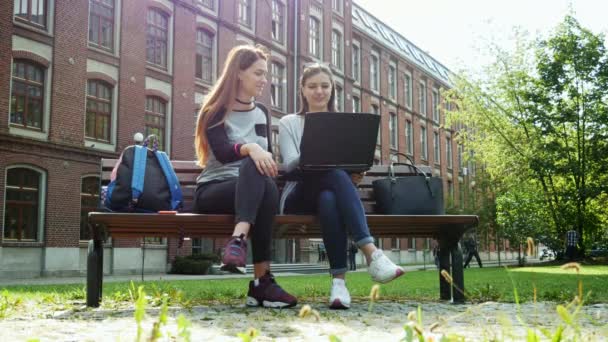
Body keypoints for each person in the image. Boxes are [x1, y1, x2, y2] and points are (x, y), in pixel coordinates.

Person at [278, 63, 405, 310]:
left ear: (332, 89)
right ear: (302, 90)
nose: (319, 91)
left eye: (324, 86)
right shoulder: (289, 122)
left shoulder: (343, 124)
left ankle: (339, 285)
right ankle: (371, 253)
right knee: (335, 172)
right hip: (298, 192)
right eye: (312, 86)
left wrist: (352, 171)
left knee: (329, 199)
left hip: (330, 191)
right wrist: (318, 155)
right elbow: (289, 164)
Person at [193, 45, 297, 308]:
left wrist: (258, 153)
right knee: (254, 162)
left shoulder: (262, 111)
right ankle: (262, 280)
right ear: (239, 73)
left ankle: (241, 248)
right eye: (258, 73)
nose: (265, 80)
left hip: (254, 190)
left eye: (266, 74)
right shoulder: (214, 110)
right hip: (215, 190)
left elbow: (268, 160)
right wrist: (250, 147)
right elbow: (225, 153)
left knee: (260, 174)